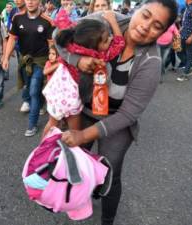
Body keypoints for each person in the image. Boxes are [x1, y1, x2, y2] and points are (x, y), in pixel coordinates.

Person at [56, 0, 178, 223]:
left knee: (110, 170)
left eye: (157, 25)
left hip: (116, 120)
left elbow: (128, 114)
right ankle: (77, 198)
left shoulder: (151, 62)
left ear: (162, 32)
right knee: (75, 158)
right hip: (84, 109)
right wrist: (78, 59)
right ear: (137, 10)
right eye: (146, 15)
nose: (145, 26)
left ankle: (108, 219)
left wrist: (83, 135)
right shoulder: (102, 21)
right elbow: (60, 36)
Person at [42, 9, 125, 138]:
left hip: (57, 88)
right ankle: (72, 155)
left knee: (52, 123)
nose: (111, 39)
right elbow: (120, 43)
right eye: (105, 40)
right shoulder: (99, 55)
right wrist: (113, 21)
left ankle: (42, 150)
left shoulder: (72, 45)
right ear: (93, 46)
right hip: (71, 95)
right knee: (75, 133)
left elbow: (60, 32)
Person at [2, 0, 54, 137]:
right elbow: (12, 39)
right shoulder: (17, 18)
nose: (30, 2)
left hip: (41, 61)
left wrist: (54, 62)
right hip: (25, 61)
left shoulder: (47, 21)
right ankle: (41, 103)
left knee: (33, 91)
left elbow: (51, 45)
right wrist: (6, 57)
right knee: (29, 86)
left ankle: (32, 125)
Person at [176, 0, 192, 82]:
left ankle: (185, 74)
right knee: (178, 51)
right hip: (183, 34)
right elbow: (186, 22)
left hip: (190, 36)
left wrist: (191, 37)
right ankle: (189, 67)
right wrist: (179, 31)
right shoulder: (187, 7)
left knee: (188, 54)